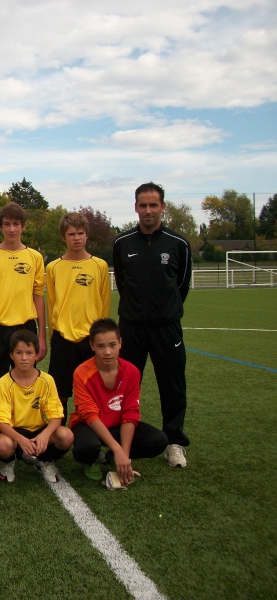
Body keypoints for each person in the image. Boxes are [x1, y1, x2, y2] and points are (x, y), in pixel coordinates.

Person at [113, 182, 192, 468]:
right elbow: (123, 283)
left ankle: (174, 441)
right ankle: (122, 441)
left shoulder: (178, 243)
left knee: (172, 384)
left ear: (162, 207)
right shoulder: (123, 243)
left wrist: (163, 310)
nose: (148, 210)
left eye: (153, 205)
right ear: (135, 207)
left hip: (166, 328)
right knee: (125, 385)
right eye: (143, 205)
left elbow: (181, 285)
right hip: (131, 328)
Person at [70, 318, 169, 485]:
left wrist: (124, 453)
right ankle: (92, 460)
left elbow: (130, 413)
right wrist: (118, 449)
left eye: (112, 345)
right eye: (100, 346)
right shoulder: (81, 372)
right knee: (85, 448)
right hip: (89, 425)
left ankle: (110, 457)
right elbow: (88, 414)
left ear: (120, 343)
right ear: (92, 345)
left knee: (158, 441)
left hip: (117, 425)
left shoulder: (132, 371)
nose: (107, 352)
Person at [0, 202, 47, 435]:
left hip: (26, 327)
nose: (11, 229)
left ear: (23, 226)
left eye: (16, 224)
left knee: (26, 381)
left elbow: (38, 297)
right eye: (7, 224)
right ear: (1, 227)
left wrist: (42, 336)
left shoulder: (34, 257)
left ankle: (26, 431)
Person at [46, 212, 111, 420]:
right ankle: (58, 441)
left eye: (80, 233)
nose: (76, 238)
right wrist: (52, 334)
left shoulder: (99, 266)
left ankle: (90, 439)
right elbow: (52, 304)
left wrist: (101, 338)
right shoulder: (53, 267)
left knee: (92, 394)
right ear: (63, 236)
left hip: (91, 340)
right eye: (71, 233)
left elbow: (104, 302)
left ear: (86, 235)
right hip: (63, 338)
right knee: (60, 395)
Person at [0, 330, 73, 484]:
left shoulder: (47, 380)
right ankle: (8, 462)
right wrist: (20, 439)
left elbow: (56, 415)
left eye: (29, 353)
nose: (24, 358)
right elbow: (1, 421)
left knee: (66, 436)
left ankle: (44, 461)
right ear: (11, 355)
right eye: (19, 352)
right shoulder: (3, 382)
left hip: (38, 432)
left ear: (36, 355)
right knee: (3, 444)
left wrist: (46, 434)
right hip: (14, 433)